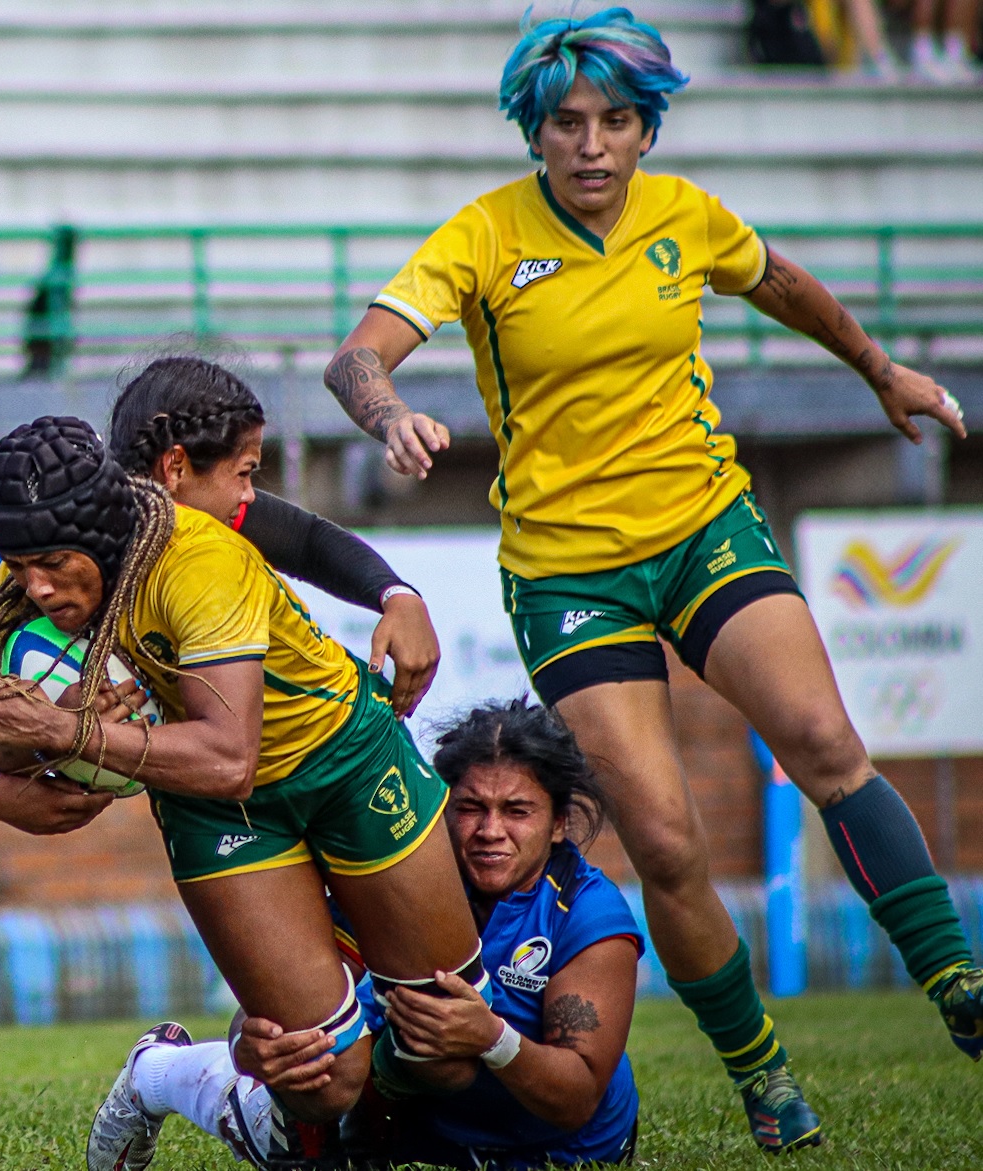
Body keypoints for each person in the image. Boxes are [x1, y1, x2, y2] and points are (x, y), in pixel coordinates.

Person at [319, 7, 978, 1153]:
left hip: (703, 526)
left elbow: (780, 284)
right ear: (535, 129)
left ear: (645, 130)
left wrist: (882, 369)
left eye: (615, 121)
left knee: (826, 744)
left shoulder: (686, 218)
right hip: (570, 570)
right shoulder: (483, 235)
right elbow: (356, 353)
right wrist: (390, 412)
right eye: (567, 121)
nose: (590, 143)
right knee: (666, 838)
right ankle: (760, 1070)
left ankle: (959, 984)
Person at [0, 360, 446, 1171]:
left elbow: (294, 534)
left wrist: (394, 592)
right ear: (169, 473)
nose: (241, 506)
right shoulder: (12, 549)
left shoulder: (163, 530)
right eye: (240, 479)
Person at [0, 409, 481, 1171]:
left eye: (52, 562)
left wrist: (65, 733)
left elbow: (228, 752)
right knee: (324, 1077)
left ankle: (347, 1100)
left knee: (446, 1049)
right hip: (215, 806)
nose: (35, 584)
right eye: (20, 564)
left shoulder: (197, 559)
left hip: (344, 761)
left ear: (99, 529)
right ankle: (169, 1074)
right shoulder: (24, 578)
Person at [113, 698, 643, 1170]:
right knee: (309, 1068)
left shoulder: (587, 911)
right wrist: (249, 1045)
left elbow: (577, 1097)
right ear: (439, 809)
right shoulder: (400, 883)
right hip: (413, 1139)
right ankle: (153, 1075)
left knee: (430, 1040)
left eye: (518, 811)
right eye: (470, 808)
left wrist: (491, 1038)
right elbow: (292, 1001)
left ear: (557, 825)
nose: (489, 831)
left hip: (568, 1152)